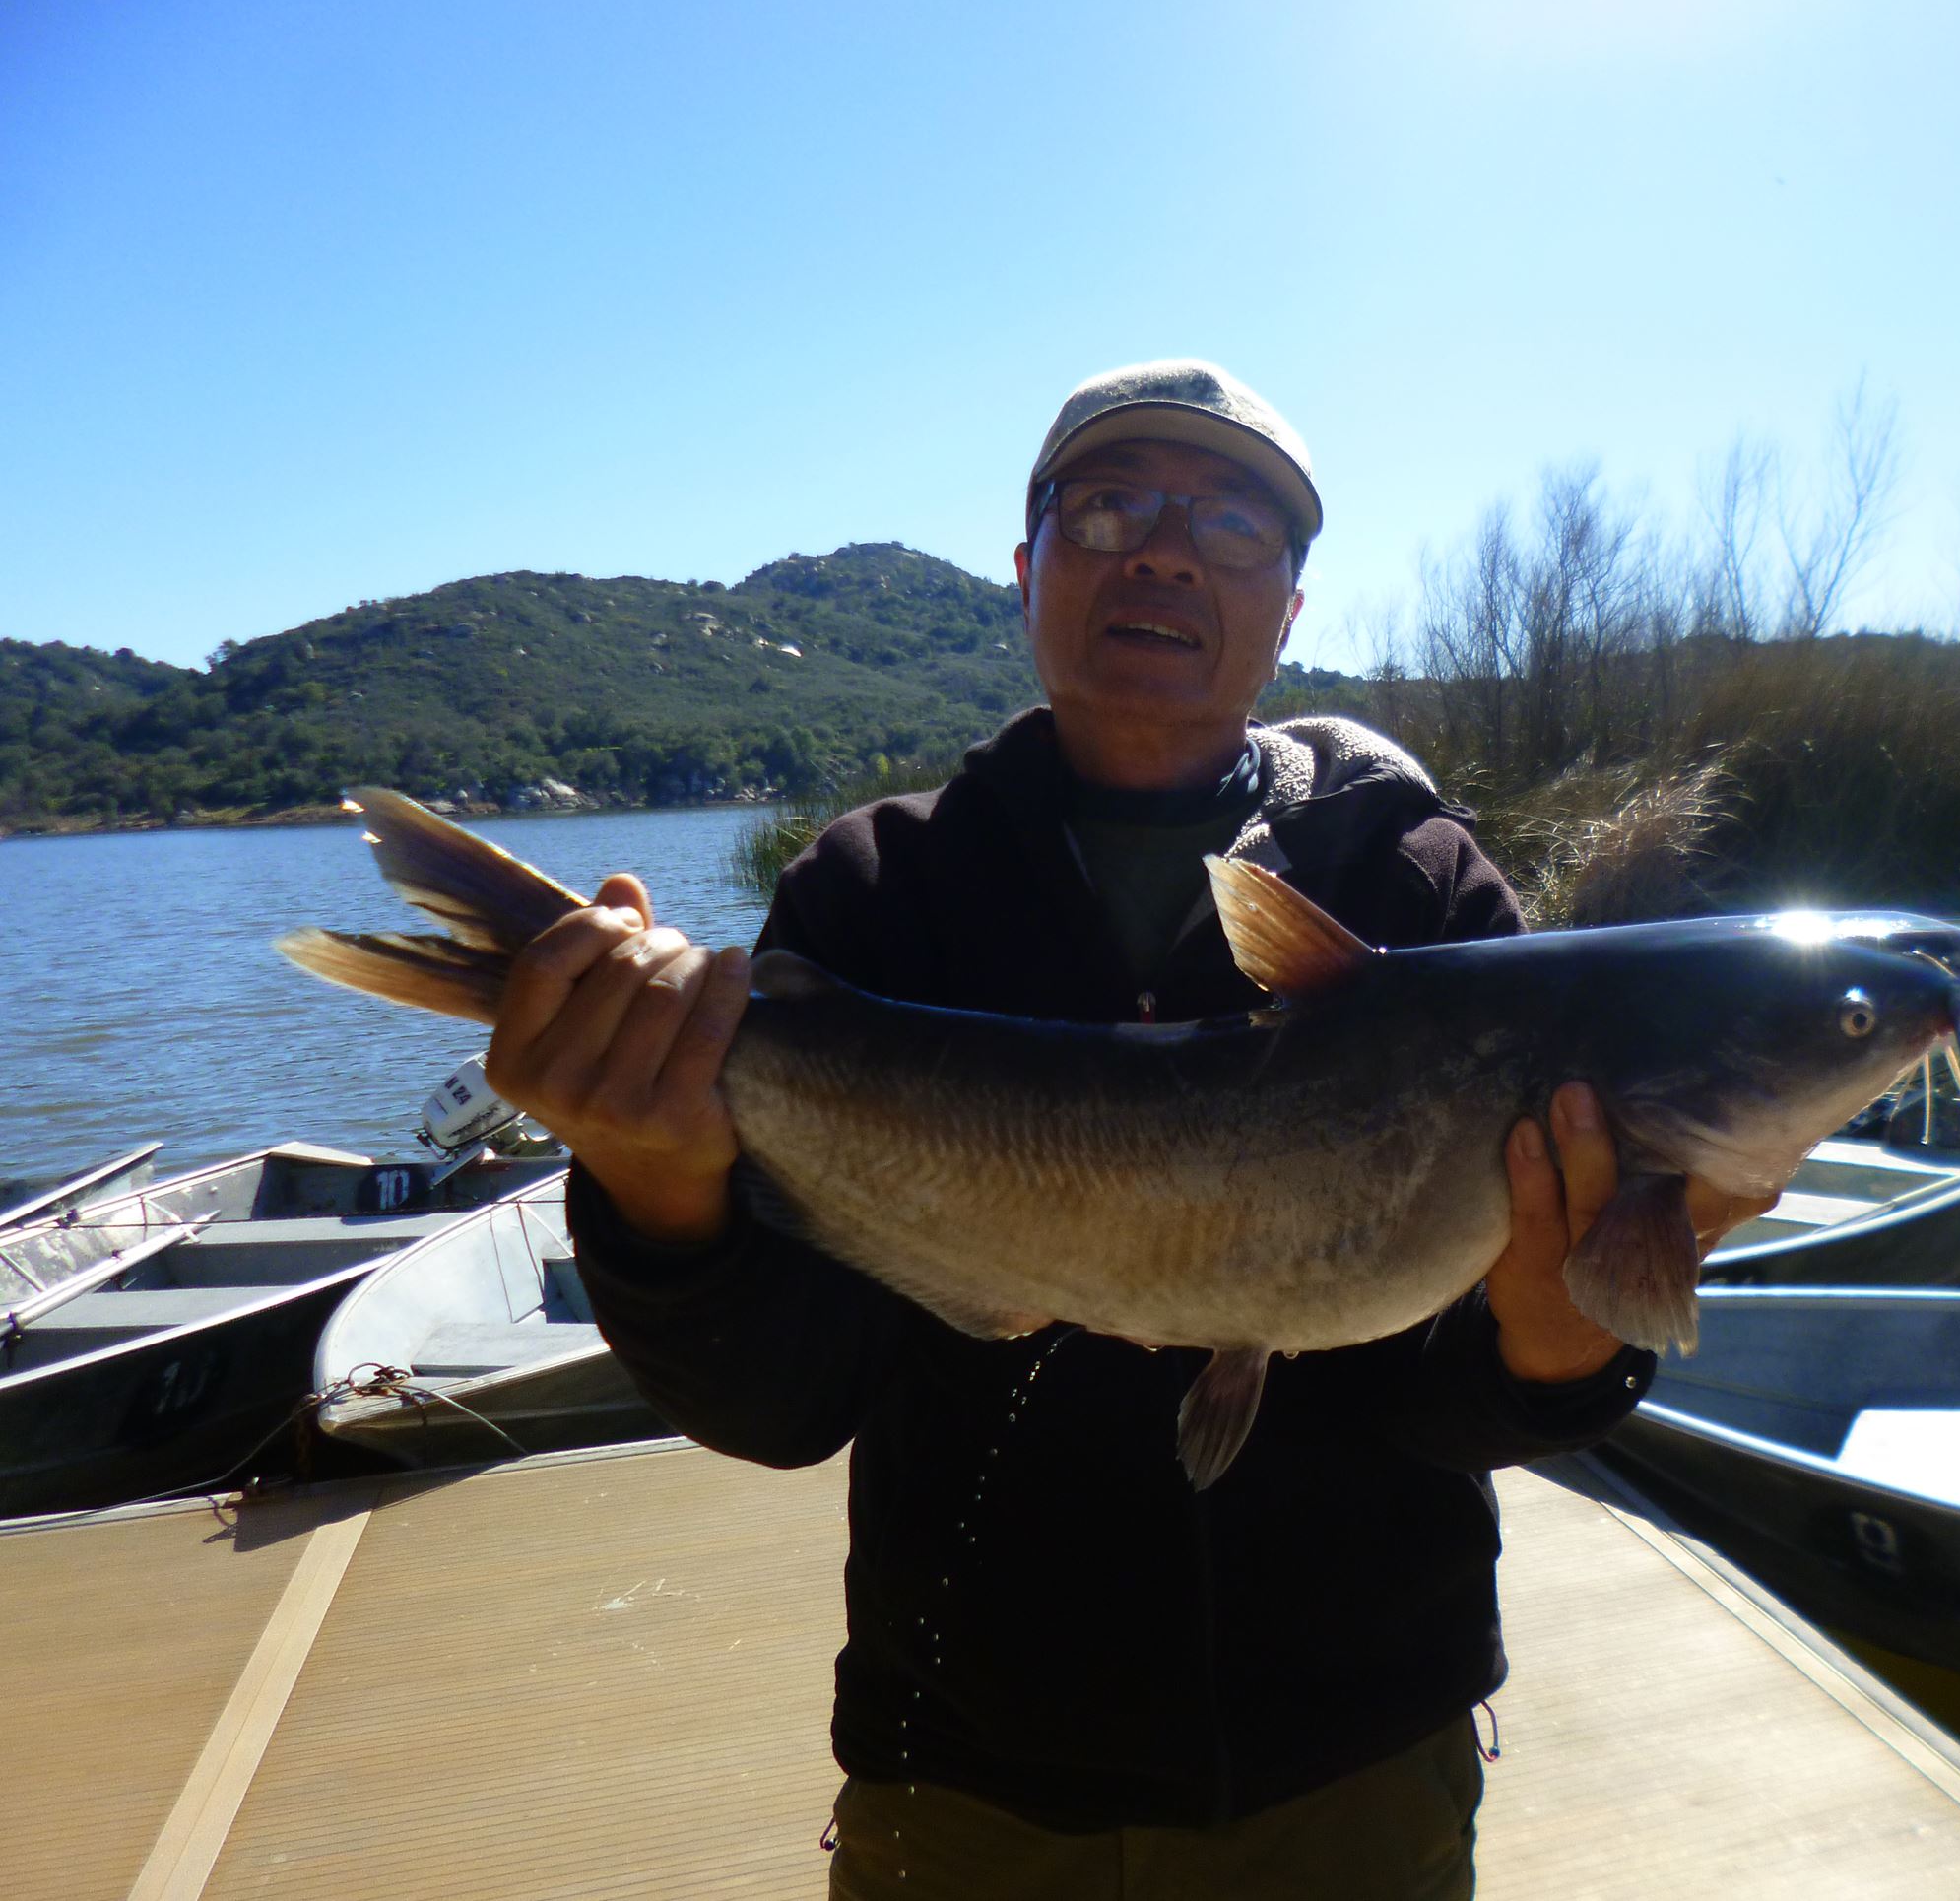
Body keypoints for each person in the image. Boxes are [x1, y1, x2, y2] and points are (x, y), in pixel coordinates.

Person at [485, 360, 1771, 1898]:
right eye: (1108, 507)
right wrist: (654, 1196)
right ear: (1028, 574)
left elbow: (1456, 1412)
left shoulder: (1418, 891)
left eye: (1233, 525)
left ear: (1290, 609)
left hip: (1355, 1766)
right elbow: (786, 1401)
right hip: (966, 1778)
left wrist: (1562, 1337)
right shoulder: (875, 894)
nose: (1164, 549)